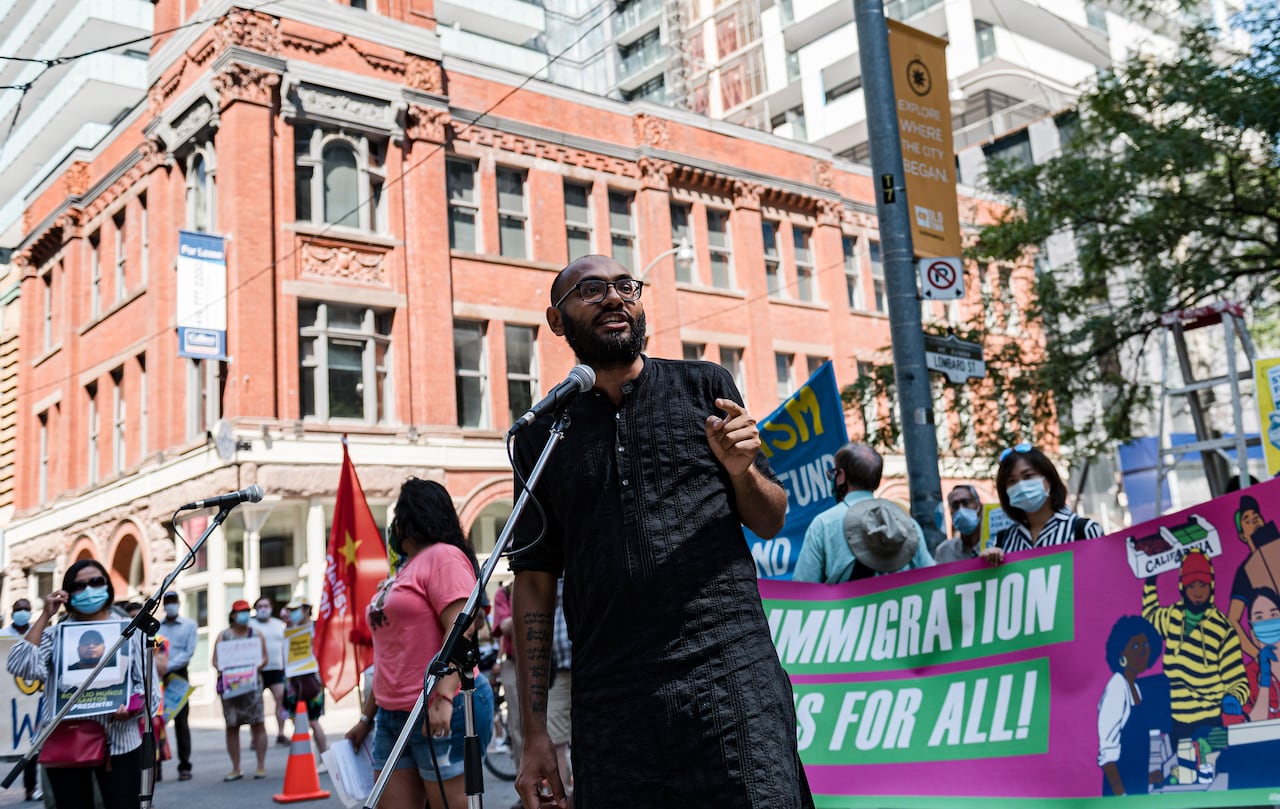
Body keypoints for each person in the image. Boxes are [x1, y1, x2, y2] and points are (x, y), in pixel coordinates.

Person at [508, 256, 813, 809]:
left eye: (626, 286)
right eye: (591, 289)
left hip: (731, 684)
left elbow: (770, 518)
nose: (614, 298)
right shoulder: (542, 436)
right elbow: (532, 582)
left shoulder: (705, 386)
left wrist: (743, 470)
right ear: (557, 322)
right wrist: (534, 737)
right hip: (611, 707)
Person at [344, 477, 493, 809]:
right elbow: (389, 656)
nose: (393, 526)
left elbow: (461, 631)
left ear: (412, 517)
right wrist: (367, 719)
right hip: (392, 716)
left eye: (398, 515)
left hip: (441, 708)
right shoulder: (404, 570)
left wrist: (442, 696)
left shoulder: (444, 557)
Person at [6, 560, 151, 809]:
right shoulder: (56, 635)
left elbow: (149, 692)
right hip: (68, 745)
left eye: (96, 582)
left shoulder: (131, 633)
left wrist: (131, 708)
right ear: (68, 593)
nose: (89, 590)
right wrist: (45, 615)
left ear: (107, 585)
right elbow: (19, 664)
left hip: (120, 745)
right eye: (79, 585)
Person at [1142, 551, 1249, 743]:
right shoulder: (1173, 616)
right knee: (1180, 770)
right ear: (1182, 587)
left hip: (1211, 720)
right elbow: (1149, 621)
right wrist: (1150, 583)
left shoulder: (1223, 630)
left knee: (1215, 769)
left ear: (1212, 586)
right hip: (1175, 720)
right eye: (1191, 585)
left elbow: (1237, 679)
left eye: (1203, 585)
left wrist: (1233, 696)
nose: (1198, 592)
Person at [793, 442, 933, 583]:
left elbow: (803, 591)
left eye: (833, 473)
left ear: (841, 476)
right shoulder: (908, 525)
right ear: (877, 481)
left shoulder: (824, 524)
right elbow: (932, 580)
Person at [981, 444, 1103, 566]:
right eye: (1011, 481)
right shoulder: (1004, 540)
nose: (1021, 486)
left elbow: (1104, 576)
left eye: (1028, 476)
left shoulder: (1083, 530)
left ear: (1048, 479)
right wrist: (987, 565)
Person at [1097, 616, 1169, 796]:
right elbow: (1108, 758)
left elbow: (1133, 754)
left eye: (1146, 645)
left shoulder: (1135, 687)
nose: (1143, 652)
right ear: (1121, 653)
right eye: (1135, 647)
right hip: (1120, 794)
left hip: (1135, 788)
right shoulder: (1116, 688)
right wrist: (1122, 797)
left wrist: (1147, 778)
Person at [212, 599, 268, 781]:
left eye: (246, 611)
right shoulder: (224, 635)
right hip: (231, 689)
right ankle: (236, 768)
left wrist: (252, 668)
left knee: (258, 724)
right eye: (240, 612)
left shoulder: (256, 634)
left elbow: (264, 658)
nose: (244, 615)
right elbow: (215, 661)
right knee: (232, 726)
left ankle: (260, 766)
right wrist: (229, 669)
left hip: (252, 688)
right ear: (233, 615)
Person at [1226, 495, 1280, 659]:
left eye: (1257, 517)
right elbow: (1233, 620)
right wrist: (1257, 655)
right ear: (1242, 535)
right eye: (1247, 520)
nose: (1254, 521)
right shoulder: (1245, 573)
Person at [156, 591, 196, 781]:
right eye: (168, 601)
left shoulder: (189, 625)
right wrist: (160, 669)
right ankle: (156, 767)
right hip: (158, 676)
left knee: (181, 722)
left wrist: (167, 667)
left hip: (178, 674)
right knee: (156, 722)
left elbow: (188, 653)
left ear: (179, 603)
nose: (171, 604)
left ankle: (184, 766)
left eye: (174, 601)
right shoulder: (157, 628)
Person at [2, 598, 40, 800]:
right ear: (12, 612)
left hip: (32, 698)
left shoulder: (39, 633)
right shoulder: (2, 636)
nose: (22, 612)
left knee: (30, 747)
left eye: (26, 609)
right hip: (9, 700)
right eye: (19, 609)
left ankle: (30, 788)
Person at [283, 597, 328, 766]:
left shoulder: (317, 628)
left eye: (296, 609)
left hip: (312, 679)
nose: (292, 614)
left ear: (307, 609)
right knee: (296, 720)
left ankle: (323, 758)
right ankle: (303, 760)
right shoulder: (290, 631)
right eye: (290, 610)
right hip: (294, 680)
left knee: (313, 720)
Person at [250, 595, 290, 745]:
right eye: (260, 606)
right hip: (257, 670)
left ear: (271, 608)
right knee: (255, 704)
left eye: (266, 606)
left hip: (276, 669)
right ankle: (256, 737)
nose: (263, 609)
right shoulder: (250, 625)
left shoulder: (279, 625)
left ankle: (280, 733)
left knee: (281, 700)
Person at [1243, 586, 1280, 723]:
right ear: (1252, 629)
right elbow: (1253, 726)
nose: (1267, 621)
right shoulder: (1249, 675)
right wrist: (1264, 683)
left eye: (1274, 615)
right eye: (1259, 617)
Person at [936, 485, 984, 564]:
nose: (961, 509)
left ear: (980, 507)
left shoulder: (997, 543)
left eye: (966, 503)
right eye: (955, 505)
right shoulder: (944, 552)